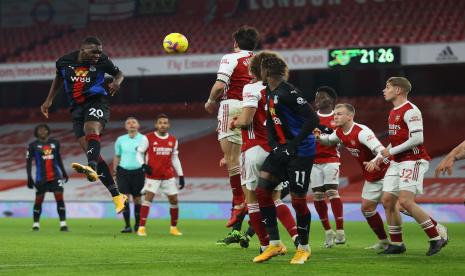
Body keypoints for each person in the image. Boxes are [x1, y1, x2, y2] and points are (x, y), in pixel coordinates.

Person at [40, 36, 127, 214]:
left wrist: (117, 82)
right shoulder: (63, 62)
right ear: (83, 50)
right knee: (90, 150)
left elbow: (119, 73)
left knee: (91, 130)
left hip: (97, 101)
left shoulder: (103, 61)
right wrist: (49, 100)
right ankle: (117, 196)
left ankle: (92, 168)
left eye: (99, 52)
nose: (97, 55)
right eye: (94, 52)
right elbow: (58, 78)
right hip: (76, 108)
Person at [229, 51, 299, 253]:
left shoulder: (251, 88)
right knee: (275, 199)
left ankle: (266, 244)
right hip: (277, 150)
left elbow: (246, 121)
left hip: (254, 148)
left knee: (252, 201)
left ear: (255, 69)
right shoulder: (285, 90)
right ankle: (296, 236)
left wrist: (235, 122)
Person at [253, 56, 319, 264]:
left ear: (267, 72)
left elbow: (312, 119)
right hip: (281, 150)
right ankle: (275, 244)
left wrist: (292, 145)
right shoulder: (269, 93)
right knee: (262, 191)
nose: (257, 74)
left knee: (298, 201)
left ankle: (303, 248)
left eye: (259, 71)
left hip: (301, 152)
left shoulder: (289, 92)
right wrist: (275, 146)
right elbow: (271, 124)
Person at [377, 77, 448, 256]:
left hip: (413, 159)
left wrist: (391, 153)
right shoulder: (393, 111)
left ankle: (435, 236)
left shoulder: (411, 110)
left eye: (387, 87)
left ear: (398, 90)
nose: (384, 90)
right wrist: (379, 157)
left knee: (406, 202)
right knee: (387, 201)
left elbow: (417, 139)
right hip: (397, 161)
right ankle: (397, 244)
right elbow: (395, 141)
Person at [204, 25, 260, 227]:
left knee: (232, 160)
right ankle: (250, 206)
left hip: (233, 105)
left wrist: (210, 101)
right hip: (254, 107)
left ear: (236, 43)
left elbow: (220, 85)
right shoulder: (258, 60)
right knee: (246, 158)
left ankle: (238, 203)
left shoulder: (231, 58)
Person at [315, 103, 391, 250]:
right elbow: (329, 140)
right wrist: (318, 137)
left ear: (350, 116)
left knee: (403, 206)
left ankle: (435, 230)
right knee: (367, 208)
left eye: (339, 114)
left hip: (387, 172)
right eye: (334, 114)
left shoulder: (362, 132)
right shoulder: (339, 132)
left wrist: (373, 161)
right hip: (372, 175)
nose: (335, 116)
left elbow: (382, 150)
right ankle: (384, 241)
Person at [136, 114, 185, 237]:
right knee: (148, 199)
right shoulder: (148, 138)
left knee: (174, 200)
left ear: (168, 125)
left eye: (165, 123)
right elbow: (139, 153)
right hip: (153, 176)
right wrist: (143, 165)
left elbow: (175, 158)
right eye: (160, 122)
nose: (162, 125)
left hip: (168, 176)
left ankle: (173, 228)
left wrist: (181, 175)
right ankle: (141, 228)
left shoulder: (173, 140)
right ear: (156, 125)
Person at [310, 86, 345, 248]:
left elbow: (343, 137)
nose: (317, 99)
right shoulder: (311, 118)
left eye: (321, 97)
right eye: (316, 97)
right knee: (317, 196)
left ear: (330, 100)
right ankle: (328, 232)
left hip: (331, 158)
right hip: (313, 161)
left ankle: (340, 230)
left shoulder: (337, 117)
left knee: (331, 191)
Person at [26, 124, 69, 231]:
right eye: (40, 130)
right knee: (39, 200)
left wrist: (64, 172)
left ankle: (63, 224)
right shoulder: (32, 145)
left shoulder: (55, 143)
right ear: (36, 132)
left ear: (48, 131)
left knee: (59, 198)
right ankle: (36, 224)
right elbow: (28, 163)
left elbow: (58, 158)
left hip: (56, 177)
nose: (42, 131)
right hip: (41, 177)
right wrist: (29, 177)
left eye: (44, 129)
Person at [113, 117, 146, 233]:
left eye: (134, 122)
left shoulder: (144, 139)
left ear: (138, 125)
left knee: (137, 199)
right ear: (125, 127)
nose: (131, 124)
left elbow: (148, 155)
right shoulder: (120, 140)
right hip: (123, 171)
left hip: (138, 171)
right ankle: (127, 226)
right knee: (125, 198)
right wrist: (115, 171)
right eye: (128, 123)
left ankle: (137, 225)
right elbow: (117, 156)